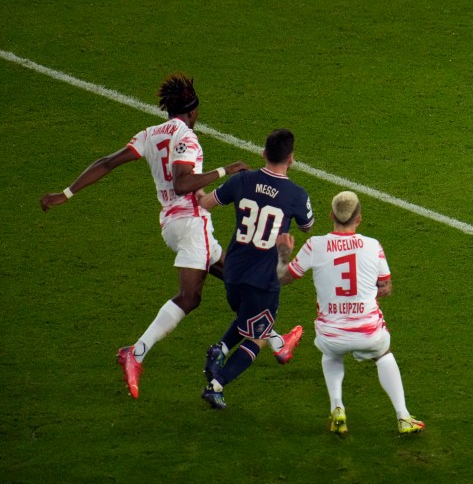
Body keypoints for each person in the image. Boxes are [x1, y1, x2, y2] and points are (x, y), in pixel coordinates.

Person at [39, 73, 301, 400]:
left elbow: (107, 163)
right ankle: (136, 352)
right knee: (190, 297)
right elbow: (181, 183)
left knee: (232, 273)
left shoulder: (149, 135)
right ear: (192, 112)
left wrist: (67, 193)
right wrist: (225, 171)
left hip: (170, 225)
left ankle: (276, 341)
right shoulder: (188, 138)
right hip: (192, 223)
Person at [277, 191, 425, 435]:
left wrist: (282, 255)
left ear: (330, 216)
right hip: (369, 332)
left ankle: (338, 408)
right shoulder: (373, 245)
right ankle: (403, 416)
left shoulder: (315, 245)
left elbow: (283, 278)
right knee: (383, 354)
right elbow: (386, 288)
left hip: (330, 334)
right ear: (359, 219)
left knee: (331, 353)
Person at [197, 128, 314, 409]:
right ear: (291, 159)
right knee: (260, 336)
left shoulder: (242, 180)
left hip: (232, 272)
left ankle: (220, 349)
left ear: (263, 152)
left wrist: (196, 186)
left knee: (247, 318)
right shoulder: (296, 194)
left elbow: (205, 202)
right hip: (263, 281)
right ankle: (217, 385)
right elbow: (306, 225)